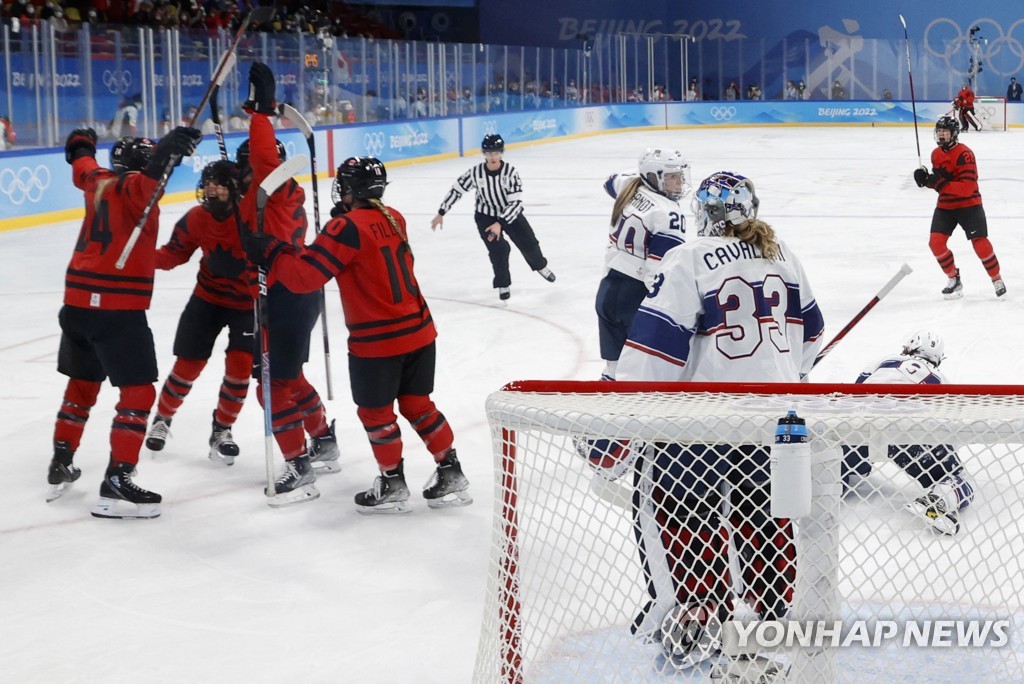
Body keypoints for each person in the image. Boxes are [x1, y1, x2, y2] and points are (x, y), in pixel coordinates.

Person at [614, 171, 825, 667]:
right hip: (772, 423)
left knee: (685, 515)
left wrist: (626, 415)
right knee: (764, 520)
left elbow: (652, 352)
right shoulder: (782, 255)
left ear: (704, 214)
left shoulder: (688, 258)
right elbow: (811, 336)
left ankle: (698, 616)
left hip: (699, 423)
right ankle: (771, 617)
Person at [245, 156, 472, 514]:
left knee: (376, 413)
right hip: (419, 330)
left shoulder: (344, 229)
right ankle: (451, 471)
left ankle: (392, 483)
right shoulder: (392, 216)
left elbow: (304, 277)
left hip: (378, 339)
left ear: (349, 190)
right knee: (417, 404)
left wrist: (273, 251)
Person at [47, 125, 202, 518]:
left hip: (77, 303)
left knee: (82, 384)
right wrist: (163, 157)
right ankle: (118, 480)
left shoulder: (98, 181)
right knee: (138, 394)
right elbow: (147, 185)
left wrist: (81, 142)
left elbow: (80, 161)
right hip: (116, 309)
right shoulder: (138, 190)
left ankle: (61, 462)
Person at [237, 61, 338, 507]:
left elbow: (262, 158)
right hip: (300, 292)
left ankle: (299, 465)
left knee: (271, 385)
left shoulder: (271, 187)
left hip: (283, 293)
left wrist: (260, 113)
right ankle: (323, 438)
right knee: (289, 377)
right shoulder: (281, 193)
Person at [144, 159, 253, 466]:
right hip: (207, 299)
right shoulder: (196, 218)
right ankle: (162, 419)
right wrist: (142, 257)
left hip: (247, 304)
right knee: (188, 365)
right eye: (208, 182)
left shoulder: (252, 218)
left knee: (240, 366)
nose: (211, 189)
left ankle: (222, 429)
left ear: (234, 189)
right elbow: (174, 253)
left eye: (219, 183)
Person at [842, 331, 975, 535]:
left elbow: (856, 391)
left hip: (859, 428)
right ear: (938, 357)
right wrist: (948, 461)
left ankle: (831, 480)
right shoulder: (941, 378)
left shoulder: (884, 360)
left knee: (834, 461)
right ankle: (938, 501)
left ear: (907, 347)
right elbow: (948, 425)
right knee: (959, 479)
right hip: (908, 435)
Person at [595, 148, 690, 381]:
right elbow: (656, 274)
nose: (680, 182)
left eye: (679, 175)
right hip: (635, 299)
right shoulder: (669, 215)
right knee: (646, 371)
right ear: (654, 177)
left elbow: (609, 182)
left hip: (608, 291)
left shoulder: (630, 186)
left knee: (614, 369)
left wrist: (640, 174)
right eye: (672, 177)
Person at [430, 134, 555, 301]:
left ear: (501, 153)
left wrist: (500, 222)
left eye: (496, 153)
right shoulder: (476, 173)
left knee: (528, 243)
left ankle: (540, 266)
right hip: (485, 216)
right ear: (484, 154)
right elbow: (457, 189)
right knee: (499, 250)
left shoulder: (511, 173)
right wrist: (441, 212)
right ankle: (503, 283)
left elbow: (515, 203)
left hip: (510, 214)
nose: (493, 157)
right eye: (489, 153)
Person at [913, 116, 1005, 298]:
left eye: (945, 132)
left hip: (969, 205)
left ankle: (996, 279)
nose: (941, 135)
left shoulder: (965, 154)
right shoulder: (935, 154)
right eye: (939, 131)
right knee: (936, 243)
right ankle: (954, 279)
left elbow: (967, 188)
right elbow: (940, 182)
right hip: (946, 206)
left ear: (954, 134)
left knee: (980, 244)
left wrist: (937, 184)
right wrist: (926, 180)